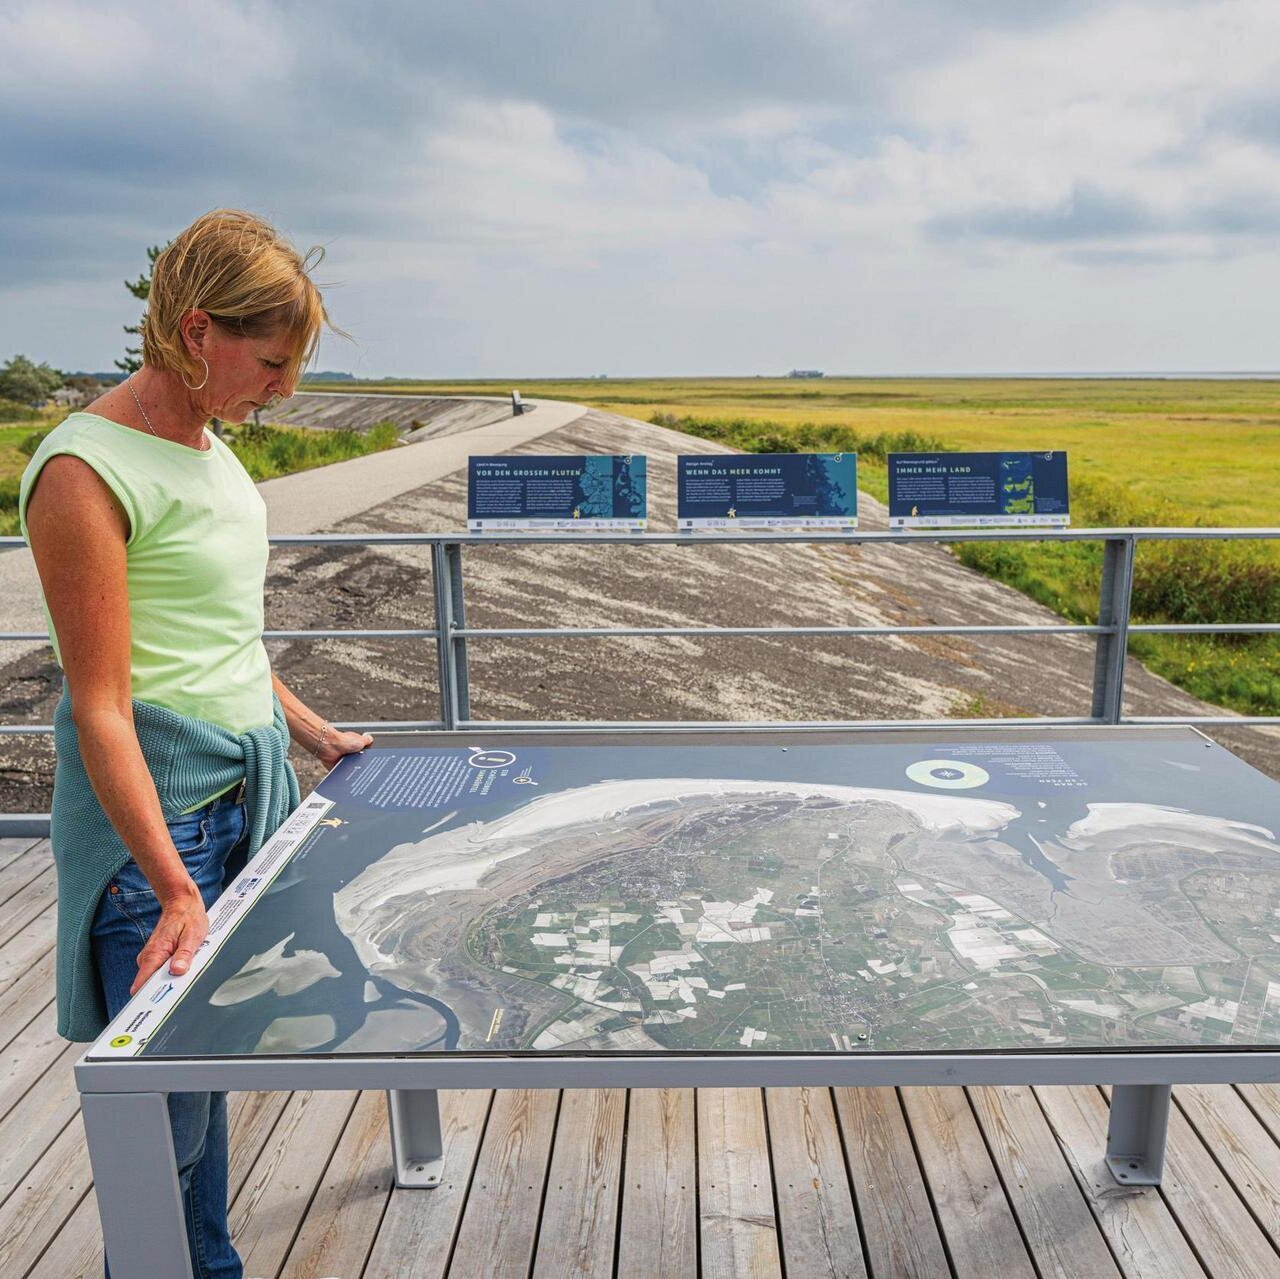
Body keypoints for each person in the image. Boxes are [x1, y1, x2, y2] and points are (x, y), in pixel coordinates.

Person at [20, 209, 372, 1278]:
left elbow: (224, 640)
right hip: (159, 824)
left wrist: (315, 735)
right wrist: (174, 885)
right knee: (163, 1103)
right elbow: (104, 705)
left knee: (206, 1068)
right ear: (194, 327)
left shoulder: (210, 451)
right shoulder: (83, 469)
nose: (282, 389)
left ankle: (203, 1261)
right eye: (268, 361)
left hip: (244, 790)